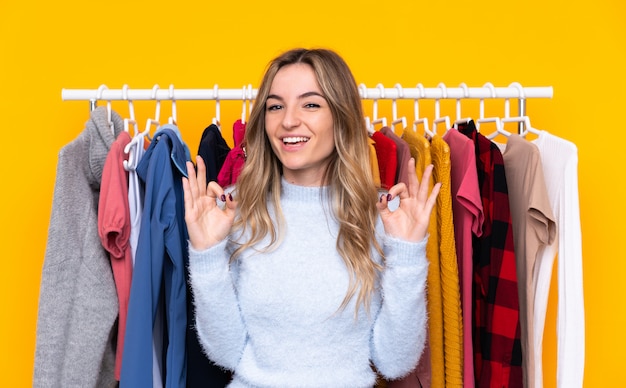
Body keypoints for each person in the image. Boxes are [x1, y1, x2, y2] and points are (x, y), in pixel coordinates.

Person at [182, 48, 441, 388]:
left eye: (310, 104)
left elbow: (394, 361)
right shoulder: (235, 213)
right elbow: (226, 353)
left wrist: (407, 254)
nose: (288, 120)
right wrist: (207, 254)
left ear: (341, 116)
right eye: (276, 106)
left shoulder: (384, 215)